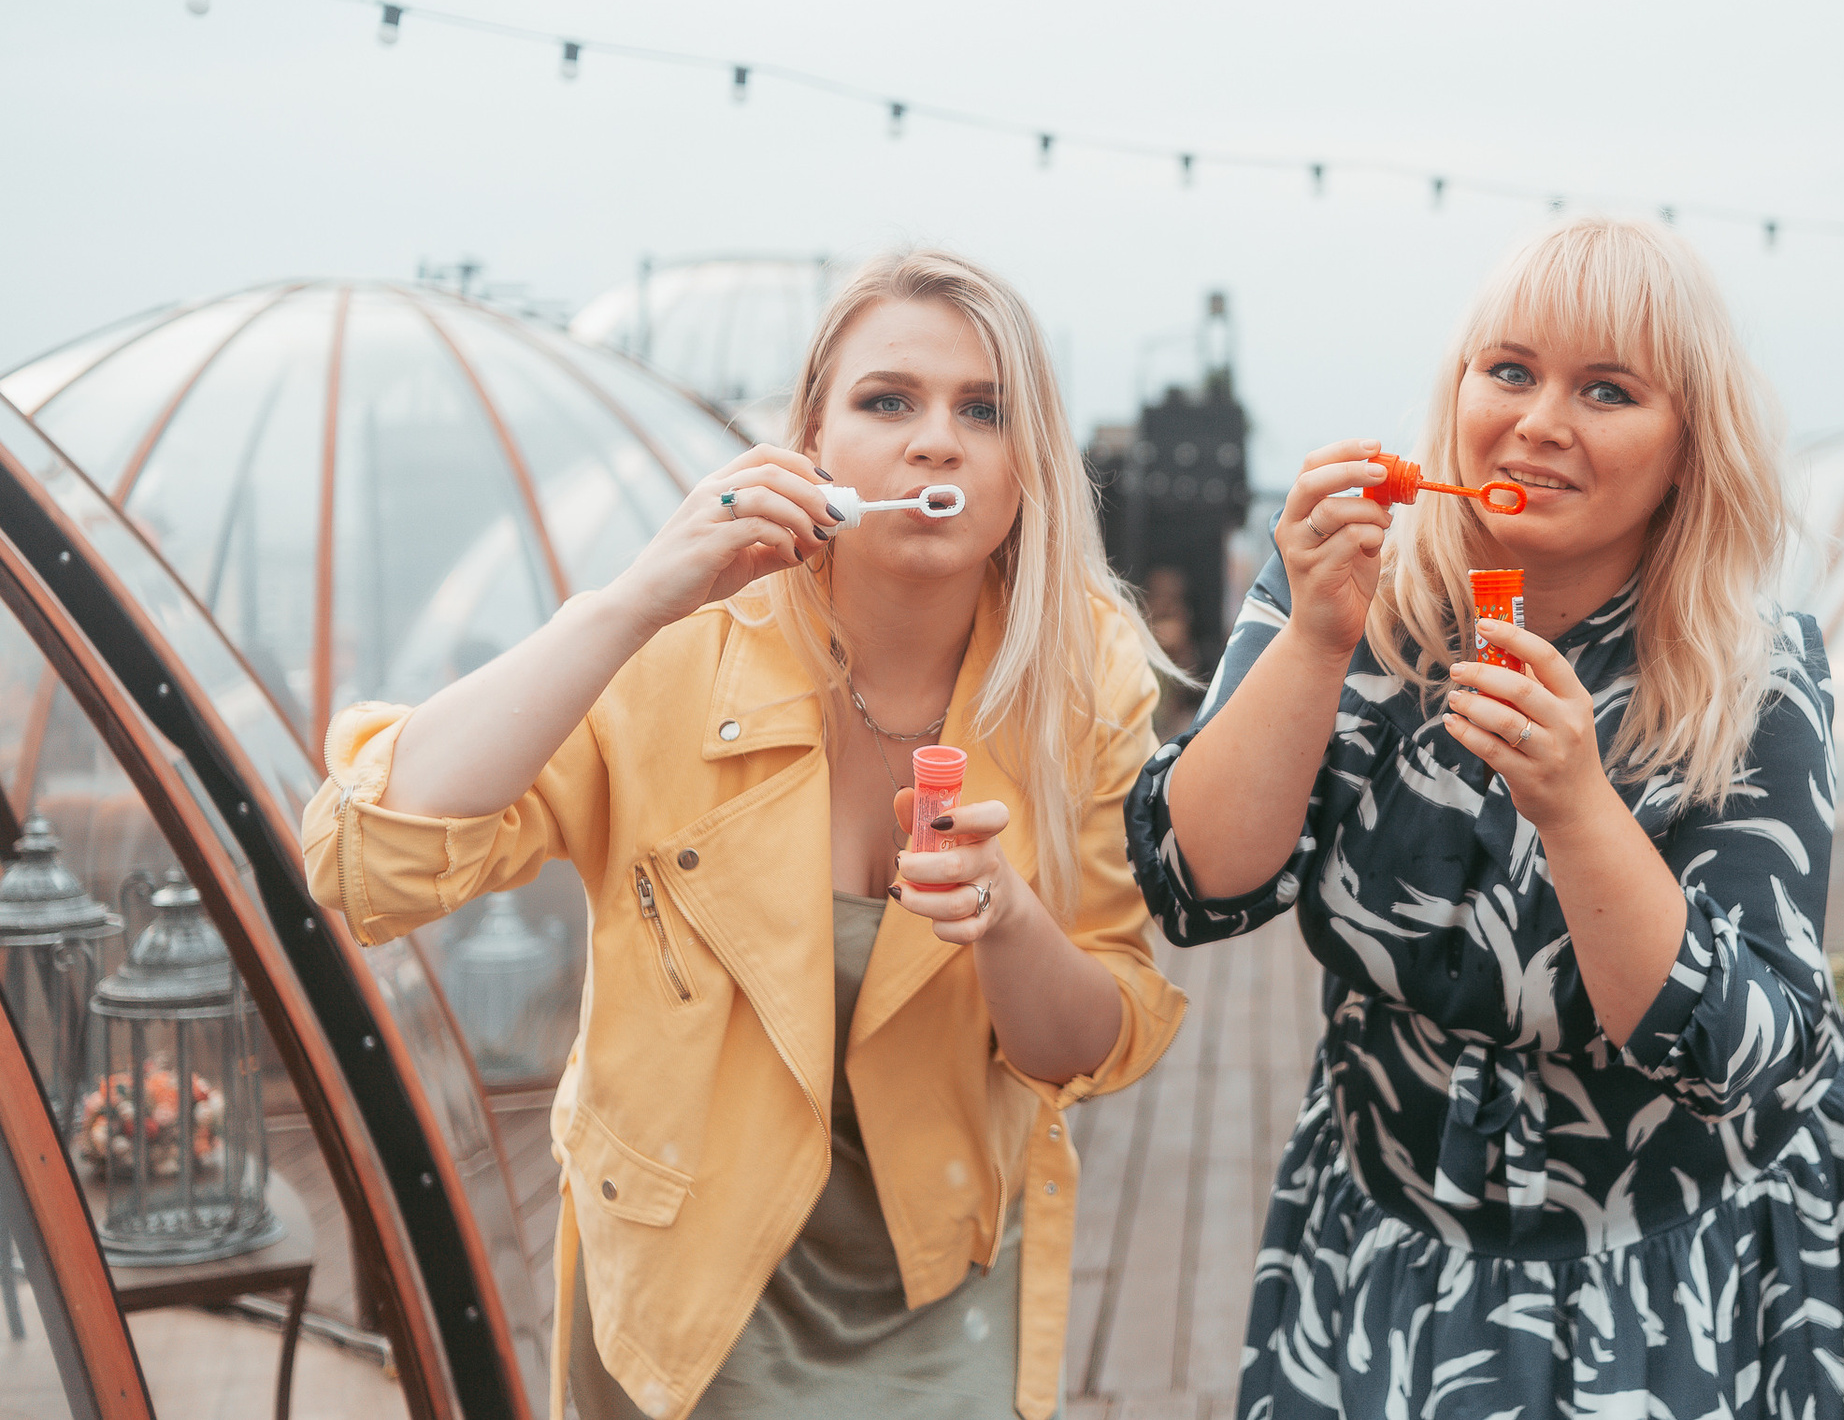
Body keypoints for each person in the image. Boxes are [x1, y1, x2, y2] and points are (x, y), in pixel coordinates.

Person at [304, 249, 1185, 1420]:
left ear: (1030, 468)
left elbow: (1092, 1038)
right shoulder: (680, 637)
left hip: (942, 1288)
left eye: (985, 409)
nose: (937, 441)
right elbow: (369, 860)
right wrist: (628, 603)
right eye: (888, 401)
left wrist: (1007, 918)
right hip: (686, 1298)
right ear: (807, 442)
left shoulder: (1084, 676)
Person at [1128, 218, 1844, 1416]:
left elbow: (1744, 1052)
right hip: (1387, 1235)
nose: (1540, 420)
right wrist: (1313, 632)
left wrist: (1574, 803)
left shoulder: (1750, 674)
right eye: (1508, 370)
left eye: (1606, 388)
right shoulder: (1351, 591)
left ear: (1685, 449)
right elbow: (1193, 884)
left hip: (1671, 1271)